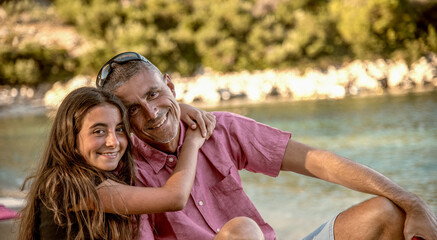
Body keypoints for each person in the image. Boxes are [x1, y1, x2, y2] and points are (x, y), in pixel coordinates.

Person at [96, 52, 437, 240]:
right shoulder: (126, 172)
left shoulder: (221, 128)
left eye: (154, 94)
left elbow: (318, 162)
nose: (151, 113)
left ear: (170, 84)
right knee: (241, 231)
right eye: (133, 110)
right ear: (120, 117)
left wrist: (412, 199)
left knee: (387, 212)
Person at [17, 87, 209, 239]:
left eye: (119, 129)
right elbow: (175, 198)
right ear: (70, 139)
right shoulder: (68, 184)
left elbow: (140, 127)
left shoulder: (97, 173)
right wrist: (192, 143)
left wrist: (175, 110)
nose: (113, 142)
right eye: (99, 131)